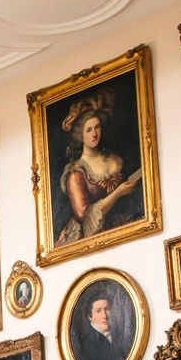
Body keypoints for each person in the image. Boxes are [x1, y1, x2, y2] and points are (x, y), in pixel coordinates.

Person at [54, 93, 143, 247]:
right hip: (90, 234)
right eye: (88, 130)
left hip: (119, 223)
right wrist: (118, 193)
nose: (94, 134)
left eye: (97, 127)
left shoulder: (113, 159)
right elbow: (86, 217)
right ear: (80, 135)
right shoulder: (76, 173)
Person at [73, 289, 130, 360]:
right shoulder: (87, 343)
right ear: (90, 316)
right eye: (98, 311)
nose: (104, 315)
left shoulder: (120, 335)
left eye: (107, 309)